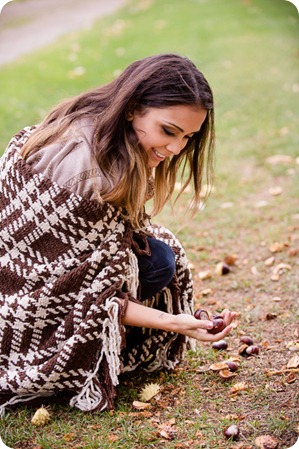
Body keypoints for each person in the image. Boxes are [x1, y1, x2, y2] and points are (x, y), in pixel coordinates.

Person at [0, 53, 236, 415]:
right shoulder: (94, 173)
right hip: (19, 299)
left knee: (155, 253)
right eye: (169, 131)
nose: (176, 148)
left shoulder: (85, 121)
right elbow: (86, 292)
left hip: (16, 271)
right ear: (132, 108)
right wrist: (175, 322)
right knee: (156, 263)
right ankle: (59, 347)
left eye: (188, 137)